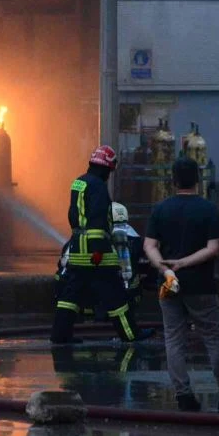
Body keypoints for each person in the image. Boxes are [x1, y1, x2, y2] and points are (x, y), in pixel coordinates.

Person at [144, 157, 219, 413]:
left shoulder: (160, 209)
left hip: (168, 285)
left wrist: (165, 268)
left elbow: (149, 245)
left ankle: (183, 395)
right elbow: (213, 248)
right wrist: (183, 263)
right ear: (197, 180)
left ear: (173, 180)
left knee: (174, 339)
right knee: (214, 338)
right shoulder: (207, 209)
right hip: (201, 284)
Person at [50, 145, 155, 344]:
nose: (109, 175)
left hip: (78, 249)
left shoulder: (79, 182)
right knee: (115, 293)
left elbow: (73, 215)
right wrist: (98, 250)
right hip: (96, 252)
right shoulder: (98, 186)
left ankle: (59, 335)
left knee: (70, 296)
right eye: (110, 170)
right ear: (106, 167)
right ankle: (130, 335)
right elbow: (98, 219)